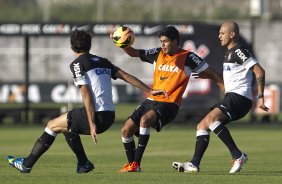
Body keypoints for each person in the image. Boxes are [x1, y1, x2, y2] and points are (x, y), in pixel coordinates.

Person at [7, 29, 167, 174]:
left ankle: (27, 164)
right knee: (67, 127)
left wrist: (91, 123)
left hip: (96, 116)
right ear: (89, 46)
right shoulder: (103, 61)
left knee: (51, 125)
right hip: (109, 116)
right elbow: (126, 76)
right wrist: (150, 89)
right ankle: (83, 163)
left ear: (72, 48)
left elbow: (85, 93)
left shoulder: (77, 64)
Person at [114, 26, 224, 172]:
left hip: (169, 103)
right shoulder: (157, 53)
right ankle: (132, 165)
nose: (162, 45)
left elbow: (213, 73)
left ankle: (136, 164)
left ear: (175, 41)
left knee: (145, 120)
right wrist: (120, 43)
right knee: (126, 130)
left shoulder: (189, 57)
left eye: (165, 41)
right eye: (161, 41)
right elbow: (133, 52)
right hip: (151, 101)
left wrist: (223, 90)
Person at [172, 21, 269, 174]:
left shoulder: (239, 51)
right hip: (233, 97)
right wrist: (212, 78)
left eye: (222, 33)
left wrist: (261, 96)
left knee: (211, 120)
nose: (219, 36)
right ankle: (194, 164)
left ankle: (238, 155)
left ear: (232, 34)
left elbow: (260, 71)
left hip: (239, 98)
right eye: (219, 33)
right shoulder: (229, 53)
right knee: (202, 125)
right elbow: (226, 87)